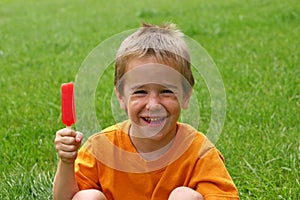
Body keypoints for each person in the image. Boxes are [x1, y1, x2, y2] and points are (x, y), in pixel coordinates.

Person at [53, 23, 239, 200]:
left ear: (186, 95)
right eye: (140, 92)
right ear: (121, 96)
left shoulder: (199, 151)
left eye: (166, 91)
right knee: (87, 197)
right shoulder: (100, 148)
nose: (153, 104)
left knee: (185, 196)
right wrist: (66, 162)